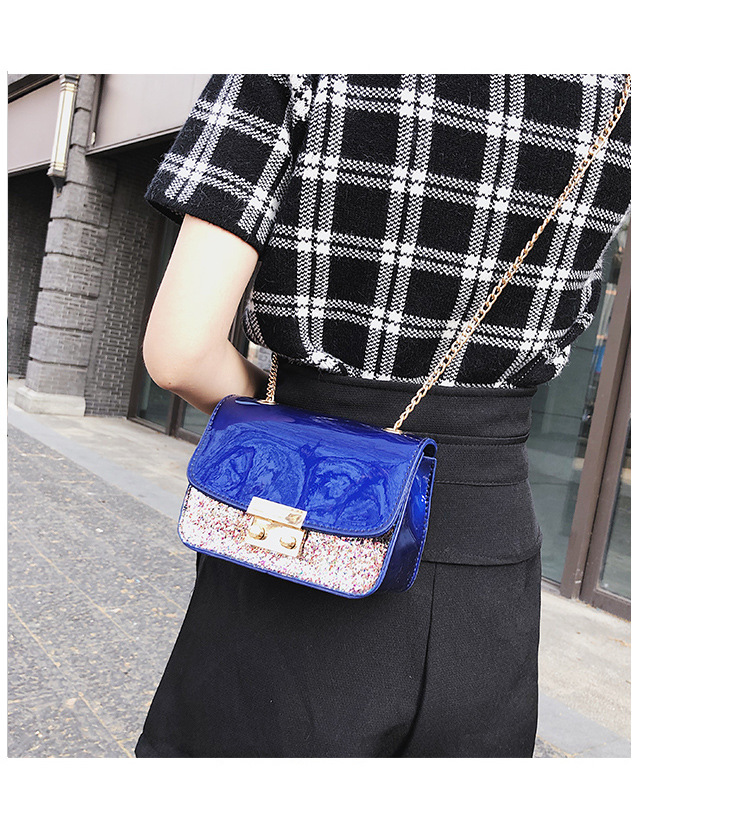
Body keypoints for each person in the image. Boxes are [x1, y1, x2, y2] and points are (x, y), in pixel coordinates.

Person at [135, 74, 631, 758]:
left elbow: (180, 354)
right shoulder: (621, 85)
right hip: (486, 544)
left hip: (301, 519)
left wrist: (289, 421)